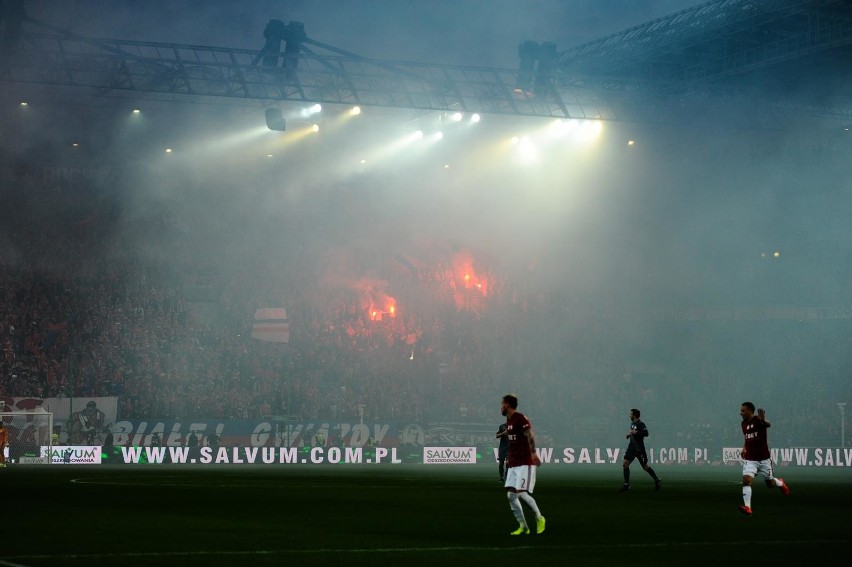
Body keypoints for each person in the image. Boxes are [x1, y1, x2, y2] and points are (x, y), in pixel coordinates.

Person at [500, 394, 545, 536]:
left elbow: (530, 435)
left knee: (521, 494)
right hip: (514, 463)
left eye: (502, 404)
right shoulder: (509, 420)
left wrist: (533, 453)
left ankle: (539, 518)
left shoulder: (520, 418)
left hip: (525, 462)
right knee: (511, 496)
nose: (501, 407)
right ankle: (523, 526)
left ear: (507, 405)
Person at [738, 402, 790, 516]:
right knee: (746, 481)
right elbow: (747, 438)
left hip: (763, 459)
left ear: (750, 411)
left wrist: (763, 420)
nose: (740, 413)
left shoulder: (758, 420)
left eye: (743, 411)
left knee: (770, 483)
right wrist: (744, 448)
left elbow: (768, 424)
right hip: (750, 459)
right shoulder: (743, 424)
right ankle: (748, 508)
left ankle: (780, 483)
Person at [620, 408, 662, 492]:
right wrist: (629, 435)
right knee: (625, 464)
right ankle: (626, 485)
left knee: (645, 466)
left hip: (639, 449)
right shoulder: (632, 423)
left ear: (635, 415)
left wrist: (636, 433)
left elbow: (646, 433)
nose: (629, 415)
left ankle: (657, 480)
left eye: (631, 414)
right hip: (631, 448)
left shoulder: (641, 424)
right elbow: (633, 432)